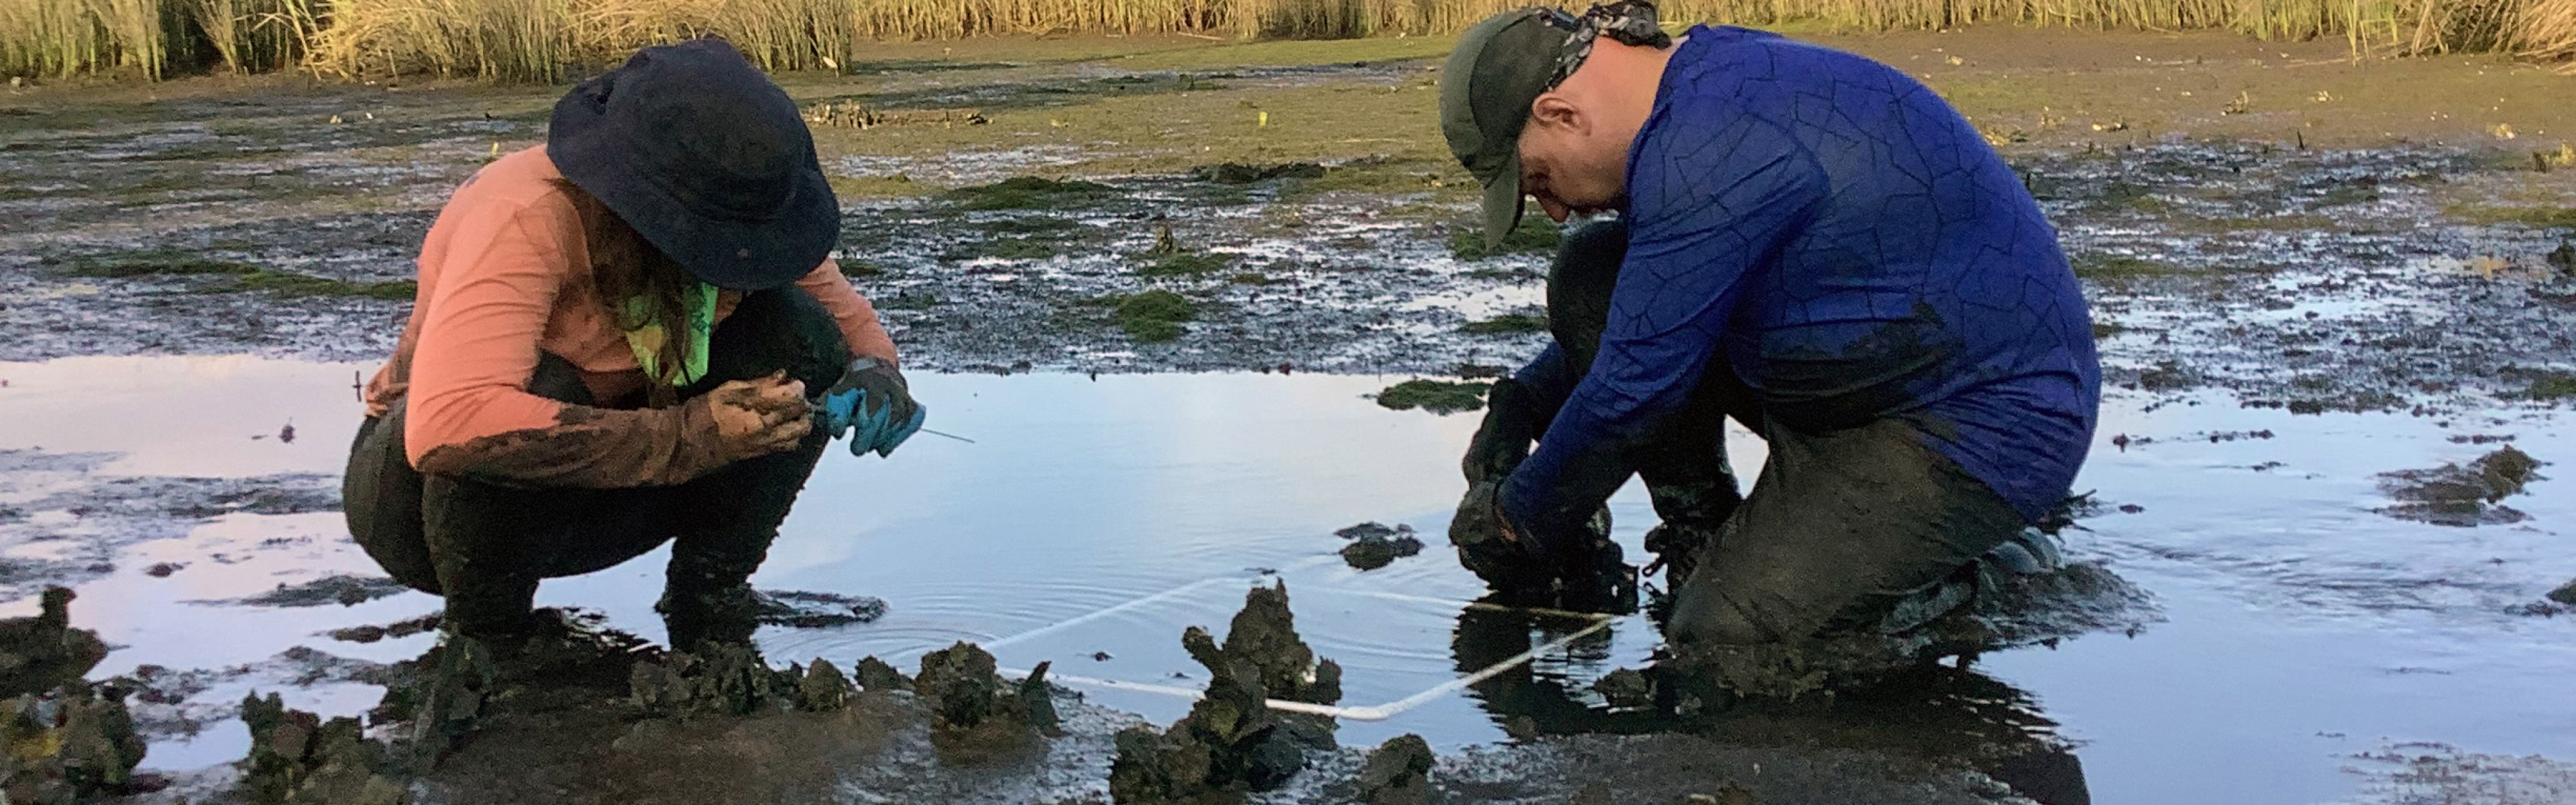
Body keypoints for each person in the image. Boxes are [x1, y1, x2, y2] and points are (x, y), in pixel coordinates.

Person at [1439, 2, 2101, 652]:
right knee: (1593, 273)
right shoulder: (1697, 92)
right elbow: (1655, 317)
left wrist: (1510, 521)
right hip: (1855, 373)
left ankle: (1982, 568)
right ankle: (1704, 532)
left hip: (1973, 426)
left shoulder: (1706, 149)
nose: (1554, 210)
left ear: (1560, 114)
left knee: (1730, 638)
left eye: (1540, 178)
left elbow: (1630, 391)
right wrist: (1521, 401)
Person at [341, 38, 925, 657]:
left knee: (799, 331)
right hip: (427, 514)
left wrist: (875, 373)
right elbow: (450, 426)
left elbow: (847, 326)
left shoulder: (742, 202)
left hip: (623, 488)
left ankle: (711, 591)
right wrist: (690, 436)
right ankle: (488, 638)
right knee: (545, 386)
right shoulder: (525, 213)